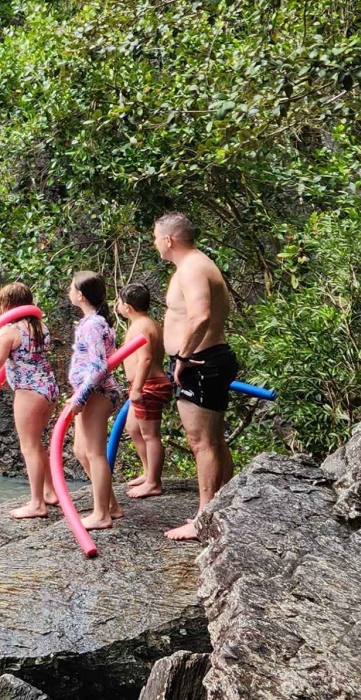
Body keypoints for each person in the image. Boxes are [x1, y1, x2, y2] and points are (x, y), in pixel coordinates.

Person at [153, 211, 237, 541]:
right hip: (207, 359)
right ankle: (223, 506)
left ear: (169, 240)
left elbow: (200, 316)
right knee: (213, 440)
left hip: (200, 362)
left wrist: (183, 356)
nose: (155, 244)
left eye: (156, 238)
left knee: (202, 443)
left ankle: (204, 517)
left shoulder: (191, 268)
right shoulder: (197, 264)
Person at [0, 282, 58, 519]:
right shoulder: (40, 326)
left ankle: (37, 504)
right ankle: (50, 492)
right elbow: (27, 358)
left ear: (7, 305)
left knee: (29, 447)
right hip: (49, 388)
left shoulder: (8, 331)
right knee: (37, 443)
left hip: (29, 392)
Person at [67, 271, 123, 531]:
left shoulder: (93, 324)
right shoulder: (91, 321)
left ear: (80, 294)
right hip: (89, 393)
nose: (69, 290)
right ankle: (110, 504)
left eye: (71, 287)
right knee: (81, 450)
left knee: (95, 453)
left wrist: (81, 397)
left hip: (97, 394)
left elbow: (99, 367)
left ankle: (102, 514)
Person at [116, 282, 168, 499]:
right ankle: (148, 472)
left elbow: (146, 357)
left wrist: (137, 387)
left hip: (149, 385)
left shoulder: (142, 326)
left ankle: (154, 482)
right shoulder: (146, 323)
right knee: (133, 428)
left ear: (127, 307)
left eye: (118, 302)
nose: (117, 305)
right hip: (143, 384)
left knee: (150, 434)